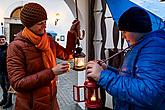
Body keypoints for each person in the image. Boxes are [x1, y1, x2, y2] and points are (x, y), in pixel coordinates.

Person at [86, 7, 165, 110]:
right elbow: (131, 75)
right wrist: (107, 69)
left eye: (124, 32)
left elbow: (150, 93)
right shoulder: (140, 45)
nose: (123, 36)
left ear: (136, 29)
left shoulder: (154, 47)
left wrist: (102, 76)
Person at [7, 2, 80, 110]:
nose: (45, 26)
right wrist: (52, 72)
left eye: (45, 21)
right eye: (40, 23)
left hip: (51, 102)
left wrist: (72, 33)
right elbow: (17, 83)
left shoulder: (48, 41)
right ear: (29, 25)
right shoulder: (16, 47)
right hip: (30, 106)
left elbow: (67, 54)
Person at [0, 35, 13, 109]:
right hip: (1, 72)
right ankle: (4, 100)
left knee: (8, 88)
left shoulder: (9, 48)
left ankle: (9, 102)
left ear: (5, 40)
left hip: (8, 72)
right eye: (0, 40)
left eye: (3, 40)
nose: (1, 41)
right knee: (3, 87)